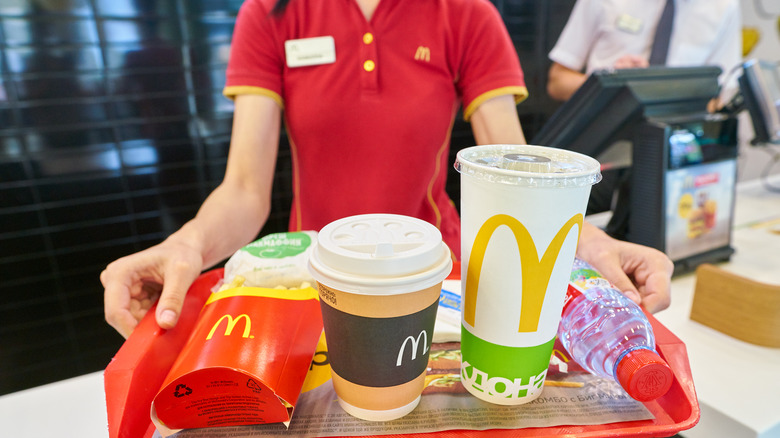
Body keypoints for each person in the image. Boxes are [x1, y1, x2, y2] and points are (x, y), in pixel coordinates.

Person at [102, 0, 674, 339]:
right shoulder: (271, 13)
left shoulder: (466, 13)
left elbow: (514, 171)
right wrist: (187, 246)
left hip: (442, 281)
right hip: (319, 280)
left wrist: (589, 243)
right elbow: (246, 190)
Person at [547, 0, 742, 102]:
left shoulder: (724, 7)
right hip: (603, 141)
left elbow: (720, 95)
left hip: (673, 150)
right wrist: (613, 83)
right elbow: (557, 83)